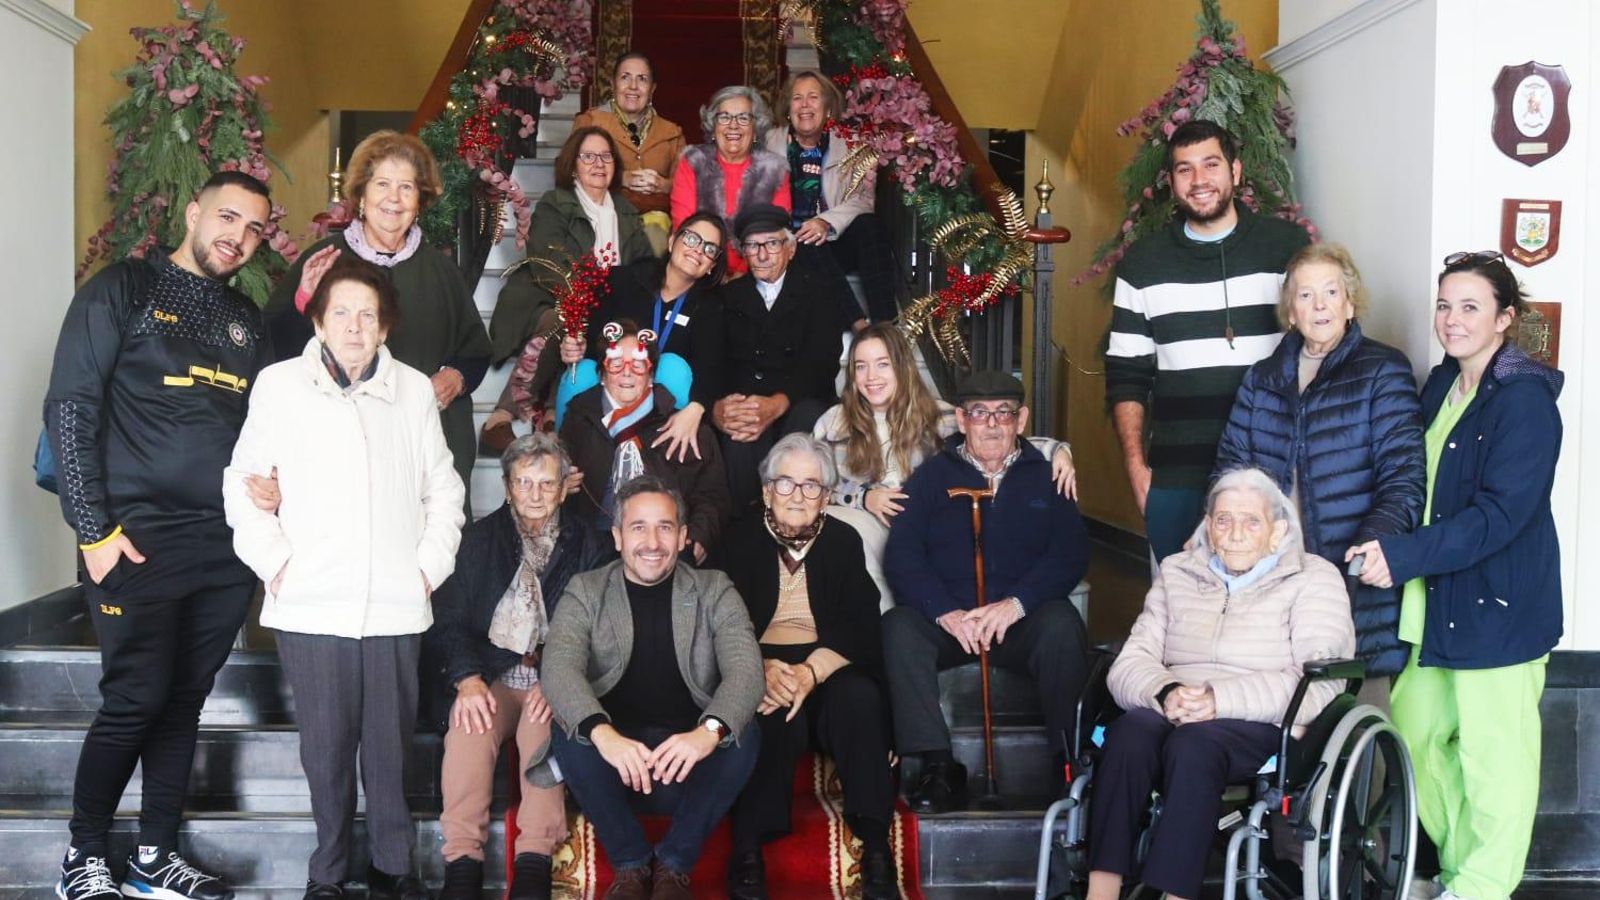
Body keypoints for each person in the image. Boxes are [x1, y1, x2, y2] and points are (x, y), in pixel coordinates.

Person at [43, 171, 273, 900]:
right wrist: (94, 529)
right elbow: (71, 407)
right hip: (134, 541)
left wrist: (274, 489)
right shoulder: (122, 289)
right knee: (135, 699)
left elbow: (266, 432)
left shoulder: (247, 321)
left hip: (221, 550)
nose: (236, 236)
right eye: (227, 217)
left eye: (253, 228)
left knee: (182, 700)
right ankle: (82, 856)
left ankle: (153, 858)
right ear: (193, 211)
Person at [224, 255, 466, 900]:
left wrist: (425, 569)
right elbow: (243, 485)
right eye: (342, 314)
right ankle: (327, 871)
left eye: (368, 315)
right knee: (326, 751)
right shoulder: (278, 385)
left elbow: (444, 491)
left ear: (384, 327)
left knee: (390, 749)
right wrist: (277, 565)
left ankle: (392, 867)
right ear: (319, 321)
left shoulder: (413, 390)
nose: (355, 327)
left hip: (394, 601)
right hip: (310, 603)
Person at [1346, 251, 1563, 900]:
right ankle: (1466, 872)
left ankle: (1480, 888)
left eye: (1470, 306)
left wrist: (1404, 556)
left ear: (1505, 319)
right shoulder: (1444, 384)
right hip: (1438, 606)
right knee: (1412, 734)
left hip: (1500, 608)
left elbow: (1498, 516)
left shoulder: (1525, 403)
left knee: (1496, 764)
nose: (1451, 319)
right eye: (1444, 304)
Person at [1088, 468, 1355, 900]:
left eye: (1251, 521)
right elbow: (1131, 660)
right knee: (1129, 734)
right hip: (1175, 705)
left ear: (1277, 531)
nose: (1234, 534)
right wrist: (1164, 692)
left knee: (1193, 745)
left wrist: (1219, 700)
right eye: (1223, 520)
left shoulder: (1313, 577)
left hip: (1258, 720)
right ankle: (1100, 891)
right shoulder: (1177, 572)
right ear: (1208, 527)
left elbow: (1320, 681)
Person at [541, 476, 764, 900]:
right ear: (618, 537)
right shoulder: (586, 590)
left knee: (743, 732)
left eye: (665, 527)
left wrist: (708, 732)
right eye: (638, 527)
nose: (652, 541)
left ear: (682, 536)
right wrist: (604, 735)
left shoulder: (714, 589)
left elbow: (746, 672)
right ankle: (630, 863)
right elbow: (559, 668)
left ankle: (674, 865)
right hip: (615, 767)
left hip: (689, 767)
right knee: (568, 726)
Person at [1213, 242, 1425, 686]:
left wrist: (1372, 545)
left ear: (1350, 303)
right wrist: (1234, 538)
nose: (1320, 306)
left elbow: (1403, 476)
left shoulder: (1383, 371)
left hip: (1348, 571)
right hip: (1270, 571)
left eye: (1331, 292)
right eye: (1305, 296)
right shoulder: (1262, 378)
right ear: (1290, 311)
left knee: (1353, 704)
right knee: (1271, 701)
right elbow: (1229, 471)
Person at [882, 371, 1091, 814]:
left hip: (1017, 623)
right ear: (961, 419)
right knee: (899, 627)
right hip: (954, 626)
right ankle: (938, 764)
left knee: (1062, 625)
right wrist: (945, 613)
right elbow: (902, 555)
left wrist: (1015, 606)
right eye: (979, 413)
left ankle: (1066, 761)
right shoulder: (931, 477)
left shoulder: (1048, 475)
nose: (992, 424)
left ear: (1021, 419)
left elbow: (1069, 554)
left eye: (1004, 413)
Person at [1105, 119, 1310, 561]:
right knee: (1182, 613)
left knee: (1270, 614)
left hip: (1271, 469)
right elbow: (1126, 375)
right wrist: (1137, 469)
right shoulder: (1143, 264)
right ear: (1172, 184)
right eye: (1184, 169)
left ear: (1235, 172)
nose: (1199, 181)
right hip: (1177, 476)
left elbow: (1319, 347)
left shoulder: (1286, 247)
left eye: (1211, 165)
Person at [424, 435, 612, 900]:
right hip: (491, 673)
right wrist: (467, 680)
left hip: (554, 677)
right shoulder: (476, 542)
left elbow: (603, 626)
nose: (533, 493)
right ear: (507, 486)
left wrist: (565, 680)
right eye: (523, 482)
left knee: (544, 739)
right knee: (467, 729)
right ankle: (462, 866)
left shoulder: (590, 544)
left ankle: (532, 866)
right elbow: (447, 620)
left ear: (564, 486)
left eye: (545, 483)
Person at [712, 435, 897, 900]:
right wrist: (760, 668)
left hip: (826, 666)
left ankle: (876, 845)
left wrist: (811, 672)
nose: (798, 495)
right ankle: (748, 847)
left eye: (811, 485)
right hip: (760, 663)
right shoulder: (737, 538)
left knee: (860, 698)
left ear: (827, 496)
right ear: (767, 490)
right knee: (765, 709)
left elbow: (861, 623)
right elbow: (715, 620)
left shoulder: (842, 540)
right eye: (786, 483)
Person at [266, 130, 491, 508]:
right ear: (361, 195)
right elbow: (275, 343)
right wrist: (303, 300)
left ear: (420, 200)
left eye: (407, 187)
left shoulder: (441, 271)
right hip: (337, 444)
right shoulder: (324, 259)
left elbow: (475, 351)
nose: (394, 198)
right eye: (382, 184)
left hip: (421, 447)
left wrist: (455, 376)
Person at [815, 324, 1077, 607]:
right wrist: (863, 497)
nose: (871, 377)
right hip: (868, 519)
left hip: (922, 523)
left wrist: (1056, 450)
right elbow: (811, 483)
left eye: (882, 364)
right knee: (851, 533)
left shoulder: (939, 416)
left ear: (902, 368)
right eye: (861, 366)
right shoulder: (834, 422)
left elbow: (993, 436)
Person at [484, 213, 730, 457]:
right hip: (611, 384)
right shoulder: (624, 280)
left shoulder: (712, 307)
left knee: (674, 367)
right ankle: (560, 458)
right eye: (692, 239)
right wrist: (575, 348)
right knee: (580, 372)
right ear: (671, 241)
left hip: (661, 402)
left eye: (709, 248)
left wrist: (697, 408)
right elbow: (592, 340)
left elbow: (711, 368)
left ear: (712, 266)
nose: (698, 250)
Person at [714, 203, 855, 512]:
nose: (762, 254)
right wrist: (724, 406)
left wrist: (778, 403)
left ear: (790, 249)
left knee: (801, 433)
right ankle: (748, 531)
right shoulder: (726, 297)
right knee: (739, 437)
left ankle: (795, 520)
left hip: (799, 400)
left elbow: (823, 363)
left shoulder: (819, 293)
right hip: (748, 401)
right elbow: (715, 362)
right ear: (744, 252)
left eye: (772, 244)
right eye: (753, 245)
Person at [559, 322, 731, 562]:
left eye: (638, 365)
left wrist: (699, 534)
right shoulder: (578, 418)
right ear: (601, 375)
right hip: (591, 548)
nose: (627, 373)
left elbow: (711, 496)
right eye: (616, 365)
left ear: (651, 375)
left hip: (662, 548)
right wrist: (558, 485)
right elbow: (557, 481)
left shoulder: (687, 427)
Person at [488, 125, 657, 365]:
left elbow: (645, 268)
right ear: (573, 167)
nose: (599, 163)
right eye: (588, 156)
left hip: (612, 306)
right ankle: (515, 403)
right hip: (552, 299)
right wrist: (591, 299)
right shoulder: (554, 203)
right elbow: (548, 264)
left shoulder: (627, 212)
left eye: (606, 156)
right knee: (563, 322)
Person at [764, 70, 900, 324]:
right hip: (792, 249)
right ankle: (859, 324)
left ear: (827, 107)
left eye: (813, 97)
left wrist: (825, 222)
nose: (804, 105)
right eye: (797, 98)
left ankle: (885, 323)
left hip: (836, 241)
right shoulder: (768, 144)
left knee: (870, 226)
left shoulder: (852, 145)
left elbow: (863, 200)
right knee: (804, 238)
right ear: (788, 108)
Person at [670, 85, 790, 277]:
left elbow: (774, 233)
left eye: (743, 118)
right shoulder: (693, 162)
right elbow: (685, 229)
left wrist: (743, 276)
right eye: (724, 117)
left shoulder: (774, 170)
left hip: (756, 274)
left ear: (755, 127)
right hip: (700, 270)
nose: (733, 125)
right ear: (713, 126)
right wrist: (717, 274)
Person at [573, 52, 685, 247]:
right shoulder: (590, 123)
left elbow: (686, 185)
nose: (633, 86)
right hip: (601, 217)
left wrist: (664, 185)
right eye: (625, 77)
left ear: (652, 89)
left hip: (657, 225)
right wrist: (622, 179)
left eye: (642, 79)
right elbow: (569, 172)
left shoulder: (672, 132)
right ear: (613, 84)